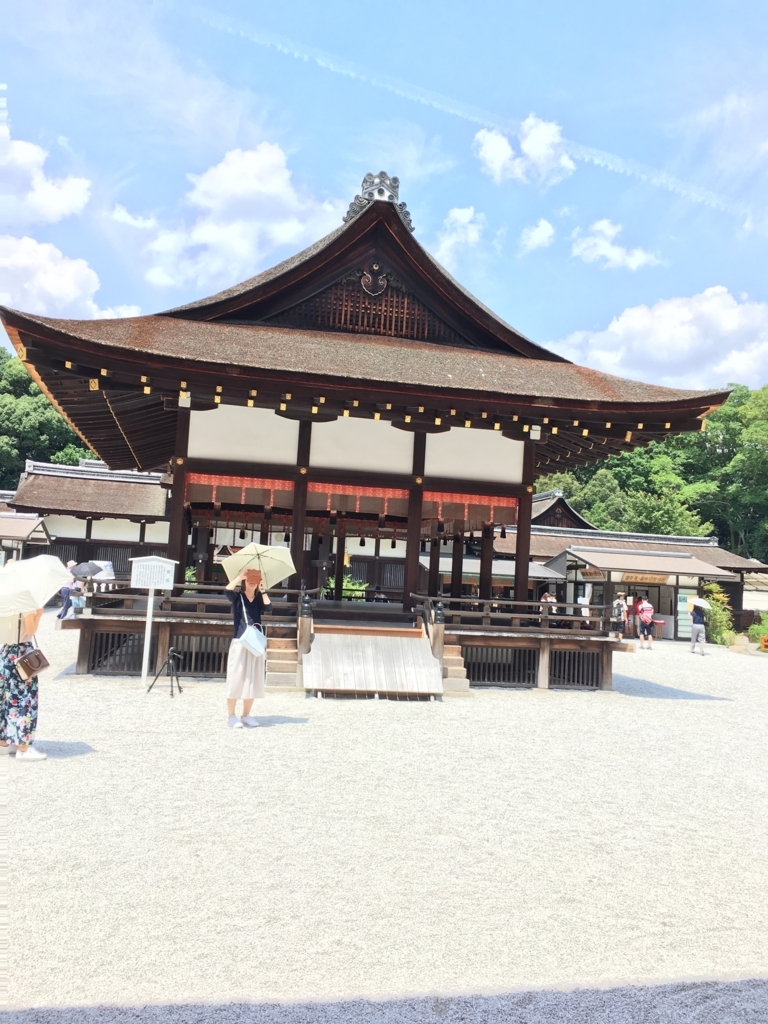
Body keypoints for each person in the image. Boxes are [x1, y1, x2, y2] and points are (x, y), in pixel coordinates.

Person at [224, 568, 271, 729]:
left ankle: (246, 715)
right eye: (249, 578)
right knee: (236, 678)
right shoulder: (238, 598)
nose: (252, 581)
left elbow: (269, 608)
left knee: (252, 679)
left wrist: (263, 590)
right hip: (240, 641)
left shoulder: (259, 599)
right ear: (245, 581)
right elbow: (227, 590)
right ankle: (231, 716)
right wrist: (239, 577)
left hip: (255, 643)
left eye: (255, 579)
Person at [0, 607, 46, 760]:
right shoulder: (25, 604)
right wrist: (38, 614)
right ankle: (23, 748)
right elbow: (31, 630)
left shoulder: (5, 603)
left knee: (5, 698)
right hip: (21, 654)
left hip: (6, 652)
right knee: (25, 699)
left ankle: (3, 743)